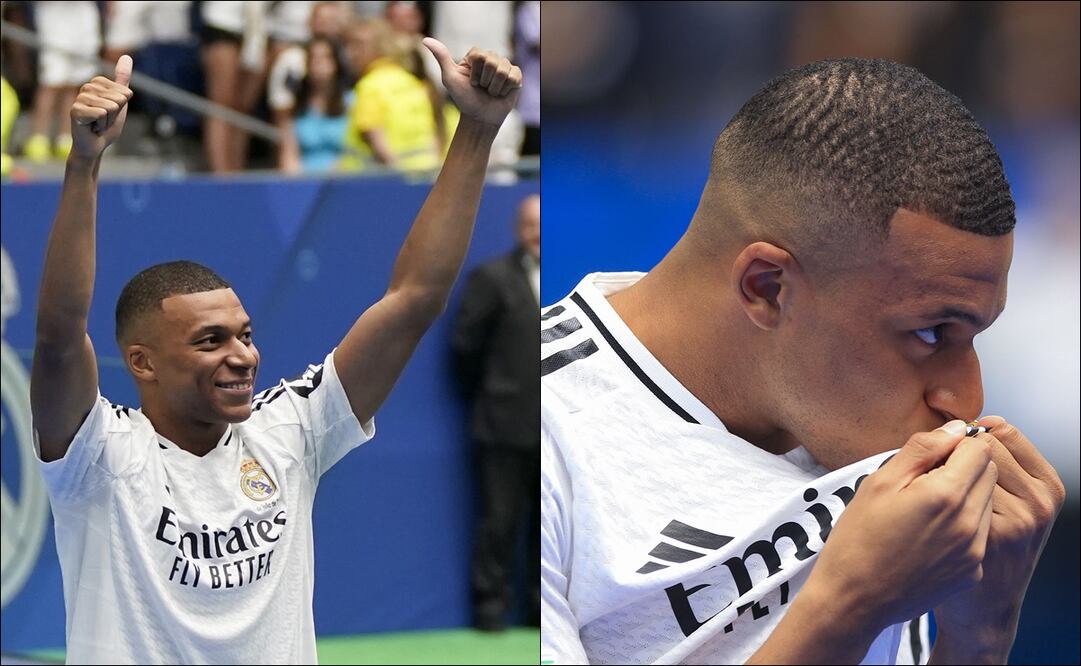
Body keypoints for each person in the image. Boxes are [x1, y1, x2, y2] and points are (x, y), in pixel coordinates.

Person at [540, 58, 1066, 665]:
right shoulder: (537, 426)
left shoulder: (870, 449)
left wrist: (978, 637)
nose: (965, 399)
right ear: (767, 287)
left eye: (973, 336)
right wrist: (849, 605)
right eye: (930, 333)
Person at [32, 42, 521, 664]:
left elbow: (413, 300)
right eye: (210, 341)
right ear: (141, 362)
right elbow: (57, 332)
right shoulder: (97, 454)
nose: (241, 356)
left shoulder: (291, 429)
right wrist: (84, 164)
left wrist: (476, 128)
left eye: (244, 334)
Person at [451, 193, 540, 630]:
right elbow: (464, 348)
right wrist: (496, 391)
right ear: (517, 229)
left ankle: (541, 610)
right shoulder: (492, 278)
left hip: (559, 430)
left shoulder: (574, 275)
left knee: (550, 528)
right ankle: (490, 608)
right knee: (499, 521)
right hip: (502, 424)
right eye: (531, 224)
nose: (539, 232)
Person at [339, 17, 440, 173]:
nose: (351, 53)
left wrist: (400, 176)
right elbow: (434, 133)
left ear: (379, 47)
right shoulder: (411, 82)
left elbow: (376, 140)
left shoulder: (369, 86)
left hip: (382, 183)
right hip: (426, 174)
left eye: (358, 45)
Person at [282, 37, 350, 173]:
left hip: (343, 179)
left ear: (337, 63)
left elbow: (354, 150)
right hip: (304, 182)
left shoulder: (351, 102)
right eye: (313, 58)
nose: (319, 63)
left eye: (325, 57)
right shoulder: (297, 106)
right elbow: (289, 154)